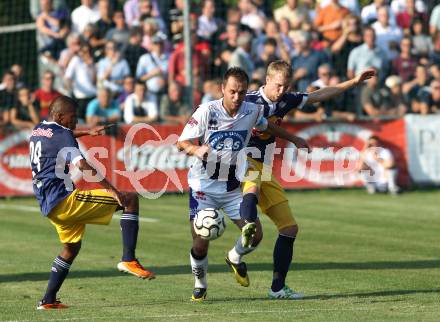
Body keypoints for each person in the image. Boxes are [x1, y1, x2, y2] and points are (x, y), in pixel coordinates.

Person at [240, 60, 375, 299]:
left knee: (289, 228)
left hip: (265, 167)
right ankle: (236, 251)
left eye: (286, 86)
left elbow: (319, 95)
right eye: (278, 85)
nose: (282, 91)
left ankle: (277, 288)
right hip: (242, 162)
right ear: (267, 81)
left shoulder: (287, 99)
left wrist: (353, 82)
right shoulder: (247, 101)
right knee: (251, 188)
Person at [176, 67, 309, 301]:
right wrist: (196, 149)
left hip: (231, 186)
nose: (237, 97)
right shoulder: (207, 111)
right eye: (232, 92)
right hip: (203, 186)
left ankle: (234, 256)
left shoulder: (251, 110)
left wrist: (294, 138)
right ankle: (200, 284)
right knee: (200, 242)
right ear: (222, 90)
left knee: (255, 235)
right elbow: (181, 142)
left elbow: (268, 127)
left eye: (241, 92)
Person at [31, 96, 154, 309]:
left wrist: (87, 133)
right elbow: (83, 165)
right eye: (72, 118)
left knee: (71, 248)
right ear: (60, 116)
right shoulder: (62, 134)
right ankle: (128, 259)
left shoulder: (39, 129)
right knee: (129, 199)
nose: (76, 122)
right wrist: (113, 191)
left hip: (48, 205)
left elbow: (61, 136)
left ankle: (48, 300)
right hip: (65, 201)